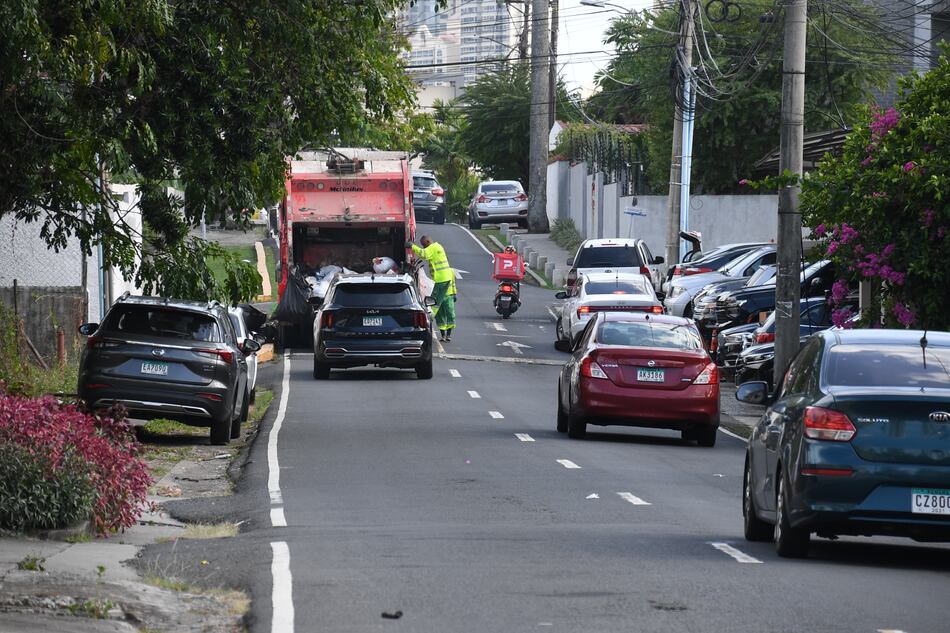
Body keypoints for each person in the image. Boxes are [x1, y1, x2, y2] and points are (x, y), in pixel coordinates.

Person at [407, 235, 456, 341]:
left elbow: (424, 254)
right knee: (436, 302)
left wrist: (412, 246)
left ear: (428, 241)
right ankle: (433, 321)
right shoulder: (437, 247)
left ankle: (428, 318)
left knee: (434, 302)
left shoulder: (433, 247)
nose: (424, 248)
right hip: (443, 278)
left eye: (424, 245)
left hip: (441, 279)